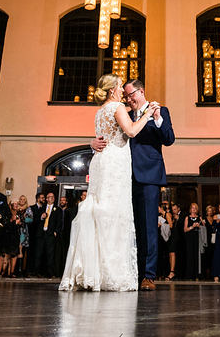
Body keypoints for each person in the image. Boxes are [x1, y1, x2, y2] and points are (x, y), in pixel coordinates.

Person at [60, 73, 158, 291]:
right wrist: (148, 114)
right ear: (114, 89)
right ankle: (110, 272)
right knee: (114, 214)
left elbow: (103, 135)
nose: (123, 90)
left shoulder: (99, 112)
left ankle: (92, 269)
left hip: (101, 162)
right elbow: (131, 131)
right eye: (120, 86)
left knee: (99, 211)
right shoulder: (117, 107)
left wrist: (91, 143)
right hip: (115, 163)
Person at [89, 77, 175, 291]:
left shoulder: (160, 111)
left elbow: (169, 139)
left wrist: (157, 119)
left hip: (148, 176)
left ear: (141, 92)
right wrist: (93, 144)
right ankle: (131, 272)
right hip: (123, 177)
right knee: (130, 227)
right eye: (125, 96)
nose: (128, 99)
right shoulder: (124, 114)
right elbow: (111, 137)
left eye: (131, 95)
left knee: (148, 227)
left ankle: (148, 275)